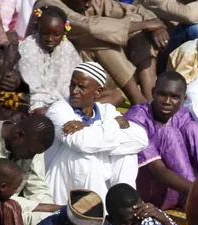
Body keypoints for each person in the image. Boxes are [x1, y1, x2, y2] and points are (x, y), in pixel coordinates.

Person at [44, 63, 150, 202]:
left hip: (98, 181)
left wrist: (89, 128)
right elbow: (80, 143)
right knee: (86, 154)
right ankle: (95, 213)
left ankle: (123, 205)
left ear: (98, 92)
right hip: (62, 186)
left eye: (82, 87)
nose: (74, 91)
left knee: (127, 154)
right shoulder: (58, 110)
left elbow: (141, 139)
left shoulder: (106, 110)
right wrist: (113, 125)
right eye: (72, 85)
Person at [122, 72, 198, 212]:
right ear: (153, 93)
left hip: (181, 188)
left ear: (184, 99)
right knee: (168, 133)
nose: (167, 101)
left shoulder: (182, 114)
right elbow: (158, 171)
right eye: (162, 94)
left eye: (175, 97)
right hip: (149, 190)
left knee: (193, 128)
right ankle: (197, 200)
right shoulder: (136, 119)